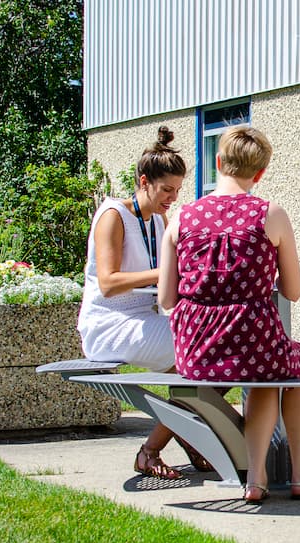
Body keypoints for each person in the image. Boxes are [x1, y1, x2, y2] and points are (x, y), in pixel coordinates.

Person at [157, 125, 300, 503]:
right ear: (260, 173)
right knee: (292, 362)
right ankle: (299, 473)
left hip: (196, 352)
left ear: (218, 163)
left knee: (265, 369)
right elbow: (292, 291)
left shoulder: (182, 217)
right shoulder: (270, 214)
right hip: (256, 342)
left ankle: (257, 479)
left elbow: (166, 299)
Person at [78, 126, 209, 480]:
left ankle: (169, 443)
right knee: (199, 358)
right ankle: (172, 442)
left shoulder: (158, 219)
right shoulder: (112, 216)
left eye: (178, 191)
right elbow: (108, 284)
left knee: (199, 365)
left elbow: (172, 274)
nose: (173, 198)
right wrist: (164, 271)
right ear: (143, 181)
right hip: (109, 324)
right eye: (167, 190)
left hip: (144, 320)